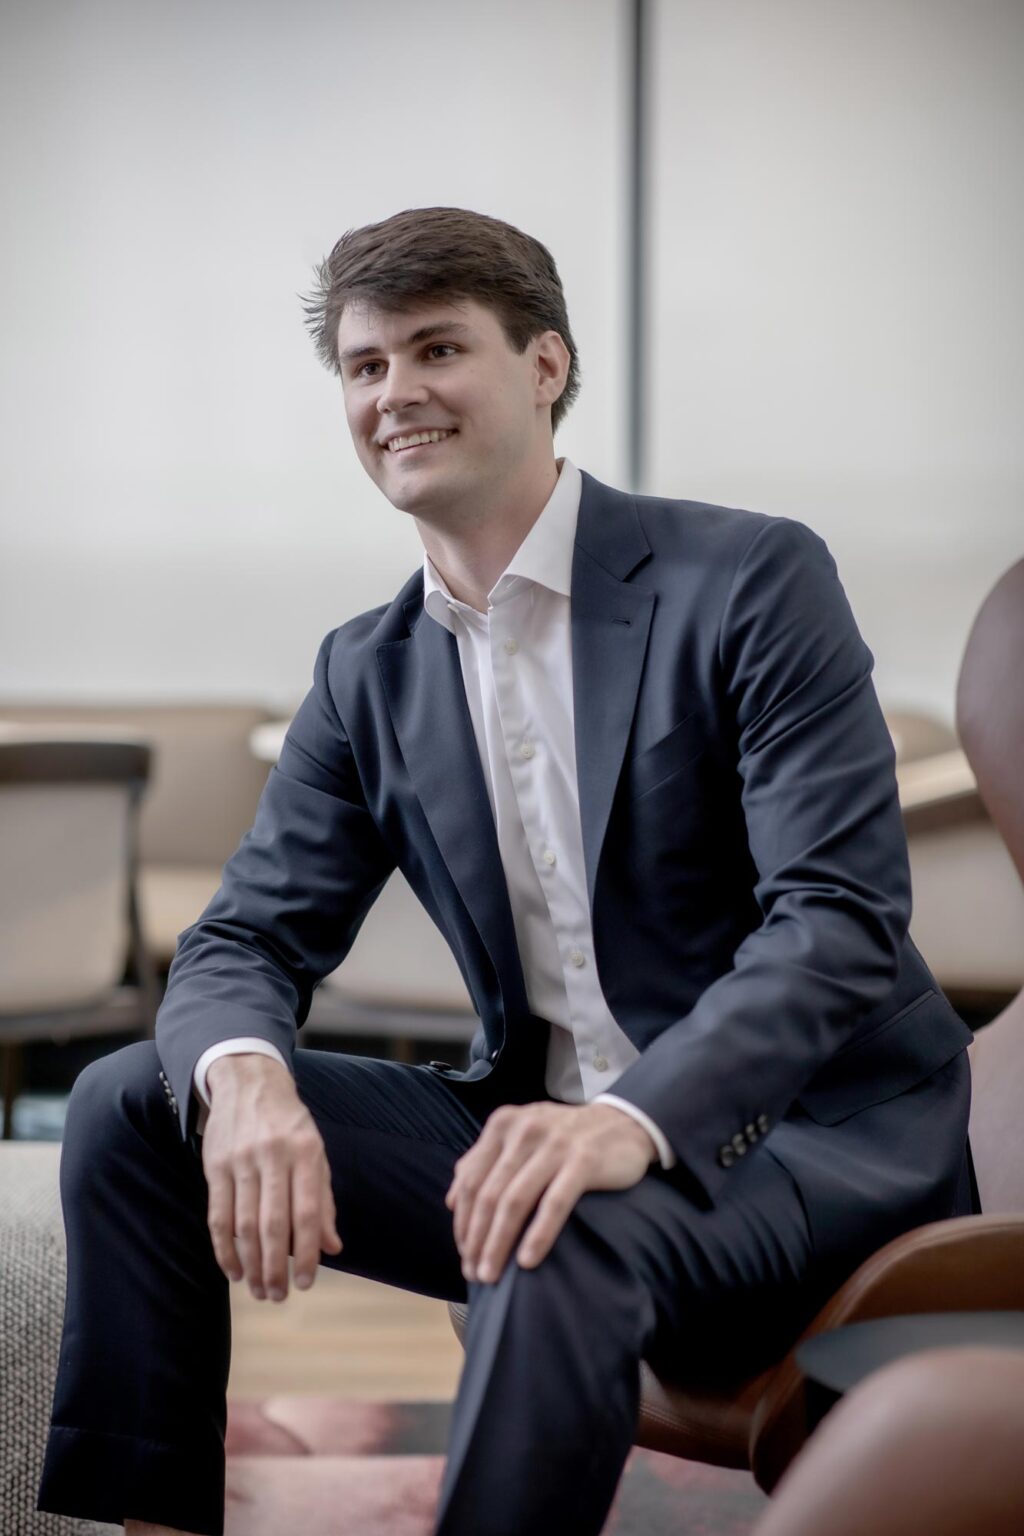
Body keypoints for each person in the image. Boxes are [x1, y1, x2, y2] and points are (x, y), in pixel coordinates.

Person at [38, 206, 976, 1536]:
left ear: (544, 366)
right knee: (138, 1100)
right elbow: (244, 937)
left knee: (556, 1215)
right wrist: (244, 1082)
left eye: (436, 349)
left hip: (803, 1147)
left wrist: (627, 1119)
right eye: (365, 367)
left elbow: (837, 922)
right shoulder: (369, 670)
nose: (395, 395)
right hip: (536, 1124)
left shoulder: (750, 578)